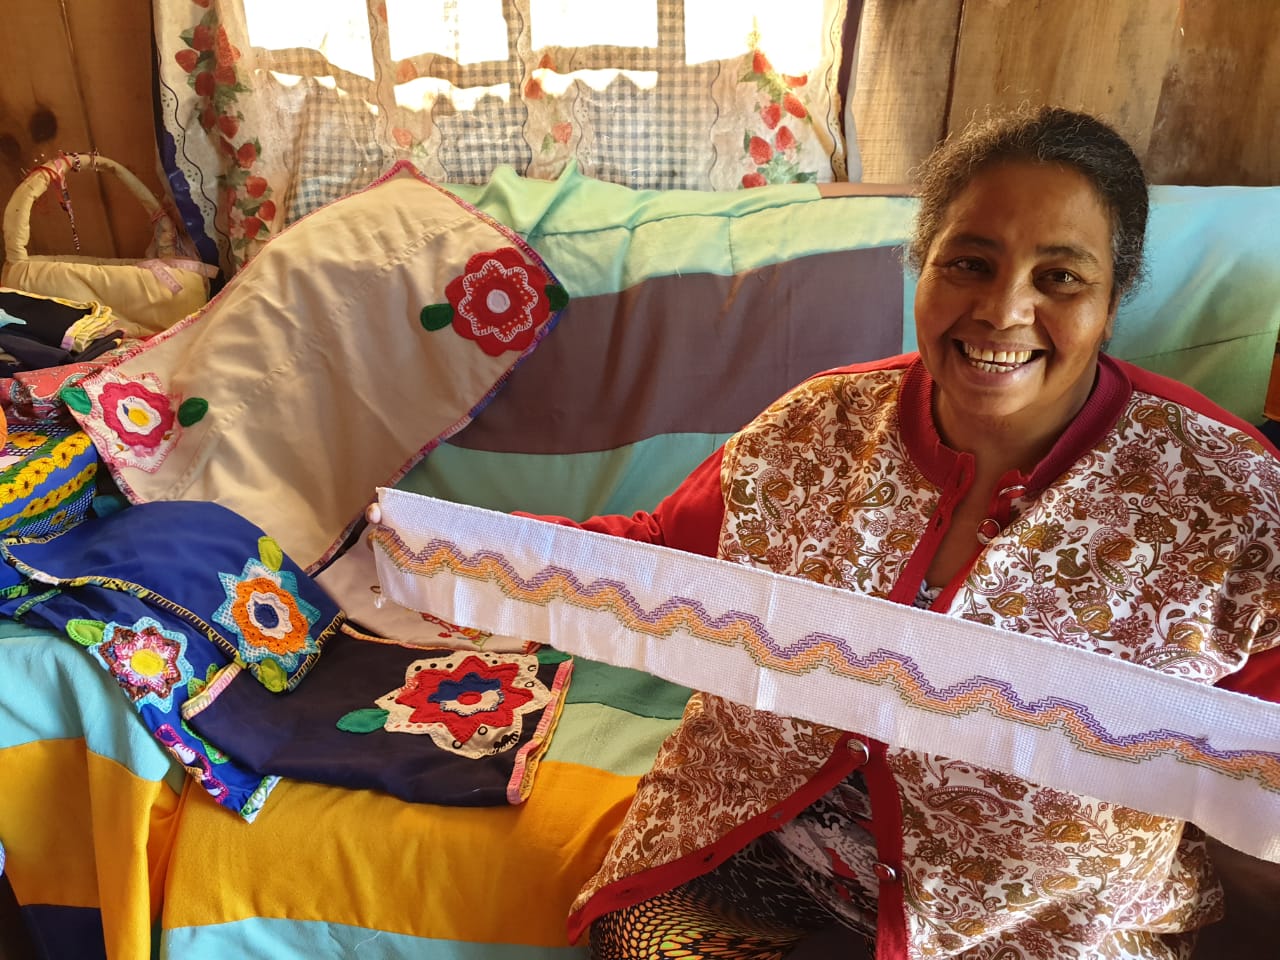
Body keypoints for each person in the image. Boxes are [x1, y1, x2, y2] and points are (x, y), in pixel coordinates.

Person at [374, 105, 1280, 959]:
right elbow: (658, 554)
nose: (1003, 310)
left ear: (1113, 301)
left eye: (1060, 277)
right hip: (758, 842)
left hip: (1038, 926)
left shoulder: (1230, 500)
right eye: (969, 263)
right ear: (922, 267)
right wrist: (432, 552)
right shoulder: (822, 424)